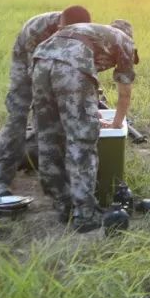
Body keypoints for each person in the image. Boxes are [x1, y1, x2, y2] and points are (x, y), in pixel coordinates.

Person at [31, 19, 138, 231]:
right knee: (82, 140)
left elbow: (71, 94)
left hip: (40, 59)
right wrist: (116, 123)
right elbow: (124, 93)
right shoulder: (125, 41)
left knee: (49, 137)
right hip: (72, 65)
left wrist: (89, 113)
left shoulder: (93, 32)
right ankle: (85, 215)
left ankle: (63, 205)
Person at [0, 6, 92, 198]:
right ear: (60, 24)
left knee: (61, 120)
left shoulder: (83, 30)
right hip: (28, 63)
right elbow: (35, 76)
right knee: (18, 117)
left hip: (54, 67)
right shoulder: (37, 29)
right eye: (65, 32)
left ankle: (57, 178)